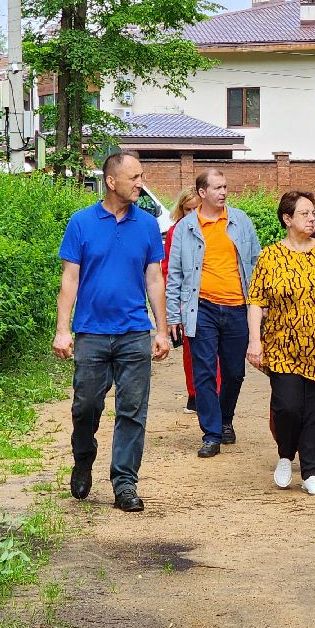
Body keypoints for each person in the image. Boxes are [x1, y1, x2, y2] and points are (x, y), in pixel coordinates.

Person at [54, 152, 170, 512]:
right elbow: (69, 279)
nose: (140, 183)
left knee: (132, 409)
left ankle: (124, 483)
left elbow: (155, 279)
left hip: (134, 331)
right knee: (85, 405)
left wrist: (161, 331)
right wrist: (62, 329)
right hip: (91, 332)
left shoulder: (148, 226)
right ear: (111, 181)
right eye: (134, 177)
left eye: (141, 176)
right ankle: (84, 456)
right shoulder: (81, 222)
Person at [246, 191, 315, 496]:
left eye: (313, 214)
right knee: (288, 407)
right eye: (305, 213)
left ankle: (311, 471)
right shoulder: (270, 256)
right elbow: (256, 301)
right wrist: (254, 341)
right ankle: (286, 454)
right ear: (287, 219)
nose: (312, 219)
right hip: (284, 346)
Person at [166, 168, 261, 458]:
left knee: (234, 372)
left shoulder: (240, 221)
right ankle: (211, 433)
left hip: (237, 307)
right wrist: (173, 316)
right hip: (201, 307)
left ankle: (225, 417)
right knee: (204, 372)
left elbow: (256, 264)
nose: (224, 192)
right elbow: (175, 275)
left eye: (225, 187)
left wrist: (260, 306)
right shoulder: (185, 228)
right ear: (202, 193)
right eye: (217, 188)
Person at [162, 186, 210, 416]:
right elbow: (168, 269)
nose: (192, 214)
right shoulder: (175, 232)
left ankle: (213, 393)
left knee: (214, 351)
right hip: (185, 299)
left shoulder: (212, 230)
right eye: (187, 209)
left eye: (196, 209)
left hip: (210, 297)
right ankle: (195, 393)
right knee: (190, 350)